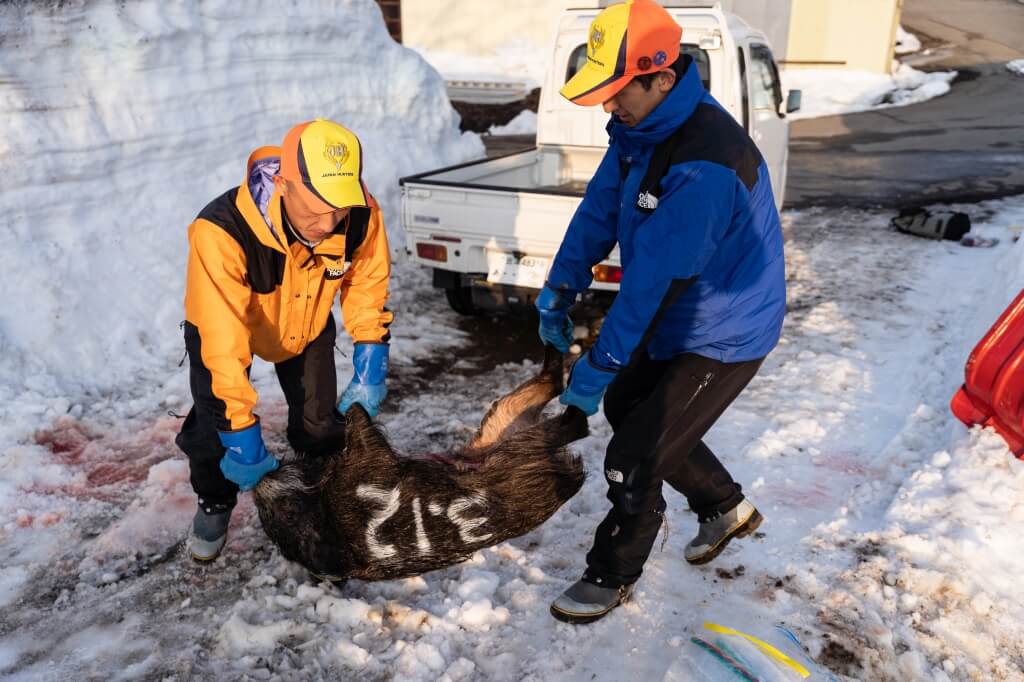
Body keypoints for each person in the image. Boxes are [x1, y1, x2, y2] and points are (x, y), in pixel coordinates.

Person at [536, 0, 786, 624]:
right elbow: (599, 209)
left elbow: (651, 286)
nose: (606, 105)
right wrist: (561, 285)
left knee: (633, 456)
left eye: (617, 91)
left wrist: (597, 366)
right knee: (627, 407)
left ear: (661, 78)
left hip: (726, 328)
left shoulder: (704, 162)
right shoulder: (639, 131)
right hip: (683, 311)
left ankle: (610, 575)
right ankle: (724, 507)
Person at [177, 119, 394, 561]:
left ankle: (318, 502)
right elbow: (222, 337)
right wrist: (238, 429)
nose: (329, 221)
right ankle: (215, 501)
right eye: (316, 207)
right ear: (282, 183)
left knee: (320, 426)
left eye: (339, 207)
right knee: (213, 432)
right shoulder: (221, 232)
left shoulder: (360, 216)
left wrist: (372, 354)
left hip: (308, 322)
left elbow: (368, 283)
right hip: (232, 324)